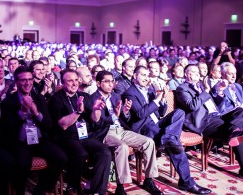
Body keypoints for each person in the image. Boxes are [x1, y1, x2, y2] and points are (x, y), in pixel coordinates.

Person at [123, 65, 211, 194]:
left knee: (180, 112)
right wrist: (158, 99)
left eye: (147, 75)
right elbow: (140, 115)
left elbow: (160, 112)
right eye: (143, 75)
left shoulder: (150, 90)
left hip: (156, 123)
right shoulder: (129, 92)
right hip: (143, 128)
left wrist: (163, 100)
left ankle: (168, 137)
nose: (146, 78)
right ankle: (187, 183)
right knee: (175, 144)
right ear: (135, 76)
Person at [91, 70, 162, 195]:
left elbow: (126, 119)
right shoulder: (93, 99)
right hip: (106, 132)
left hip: (121, 130)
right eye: (106, 81)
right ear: (98, 83)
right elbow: (96, 124)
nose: (110, 84)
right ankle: (120, 186)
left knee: (149, 142)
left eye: (112, 81)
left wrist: (125, 111)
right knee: (122, 147)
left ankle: (149, 179)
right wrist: (114, 116)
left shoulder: (116, 96)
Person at [1, 66, 67, 195]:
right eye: (23, 80)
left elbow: (48, 125)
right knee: (23, 163)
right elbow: (7, 129)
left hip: (39, 140)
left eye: (30, 79)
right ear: (16, 82)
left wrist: (36, 112)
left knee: (61, 158)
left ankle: (41, 189)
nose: (27, 83)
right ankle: (19, 191)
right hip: (19, 141)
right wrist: (23, 112)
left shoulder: (39, 98)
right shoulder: (8, 102)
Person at [48, 69, 111, 195]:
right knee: (80, 153)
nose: (74, 83)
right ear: (63, 82)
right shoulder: (56, 98)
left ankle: (97, 191)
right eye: (70, 81)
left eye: (76, 80)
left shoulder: (85, 96)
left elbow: (94, 120)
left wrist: (96, 109)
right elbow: (63, 125)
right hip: (66, 136)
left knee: (105, 152)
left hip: (84, 135)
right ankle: (73, 187)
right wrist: (77, 112)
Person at [175, 64, 243, 177]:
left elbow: (215, 102)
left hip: (216, 116)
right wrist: (206, 90)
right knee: (236, 131)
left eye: (198, 71)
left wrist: (218, 91)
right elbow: (192, 106)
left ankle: (235, 131)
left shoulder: (201, 86)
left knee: (240, 116)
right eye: (194, 71)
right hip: (203, 122)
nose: (197, 73)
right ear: (187, 74)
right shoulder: (182, 88)